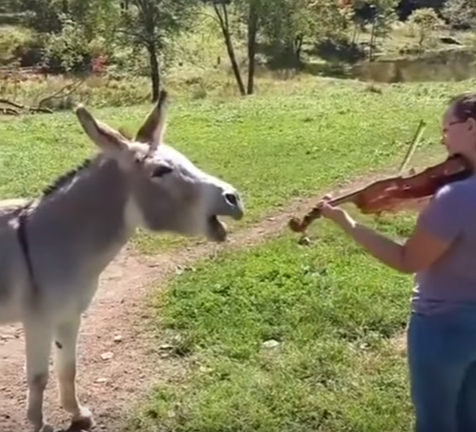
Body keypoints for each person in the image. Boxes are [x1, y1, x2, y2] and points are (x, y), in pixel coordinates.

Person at [318, 92, 476, 432]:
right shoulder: (457, 196)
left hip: (442, 330)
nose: (442, 138)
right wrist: (415, 205)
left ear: (471, 126)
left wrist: (348, 224)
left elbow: (407, 259)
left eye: (446, 128)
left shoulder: (454, 196)